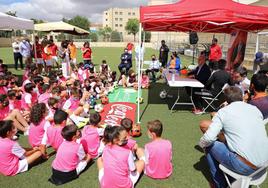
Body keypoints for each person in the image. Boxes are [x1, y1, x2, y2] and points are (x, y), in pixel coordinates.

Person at [199, 86, 268, 188]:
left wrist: (201, 144)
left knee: (209, 145)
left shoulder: (223, 112)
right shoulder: (255, 109)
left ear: (226, 100)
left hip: (246, 167)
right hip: (264, 165)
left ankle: (220, 185)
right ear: (241, 96)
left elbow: (208, 138)